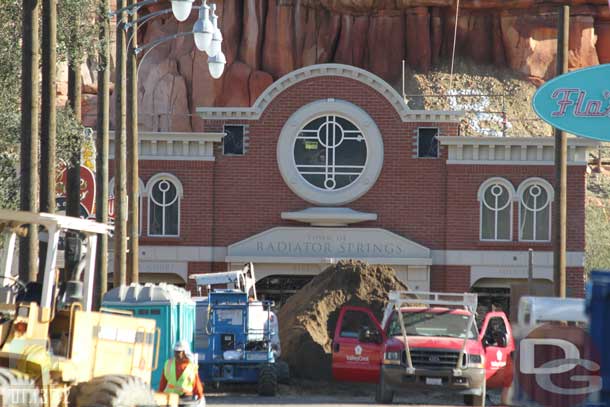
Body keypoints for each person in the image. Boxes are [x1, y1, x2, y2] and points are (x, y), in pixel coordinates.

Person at [159, 341, 205, 405]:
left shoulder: (191, 367)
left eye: (178, 352)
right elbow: (163, 382)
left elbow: (196, 384)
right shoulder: (168, 364)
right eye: (175, 351)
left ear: (185, 352)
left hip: (186, 398)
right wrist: (160, 395)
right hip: (171, 397)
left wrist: (200, 396)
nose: (176, 354)